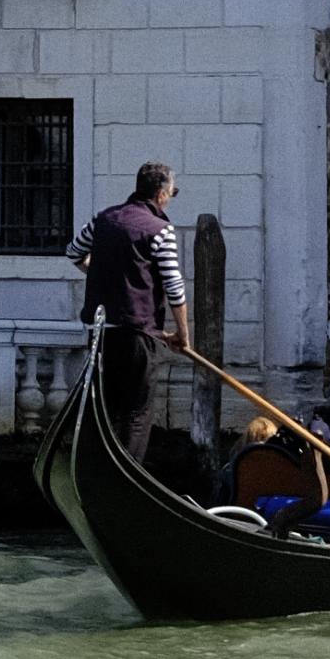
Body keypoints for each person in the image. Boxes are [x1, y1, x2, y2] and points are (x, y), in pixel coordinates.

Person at [77, 157, 192, 474]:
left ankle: (95, 473)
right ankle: (124, 477)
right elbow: (173, 286)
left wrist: (105, 273)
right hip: (137, 335)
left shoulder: (103, 219)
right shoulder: (161, 230)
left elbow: (74, 252)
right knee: (136, 412)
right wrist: (182, 336)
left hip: (100, 335)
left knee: (104, 408)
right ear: (162, 195)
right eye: (171, 193)